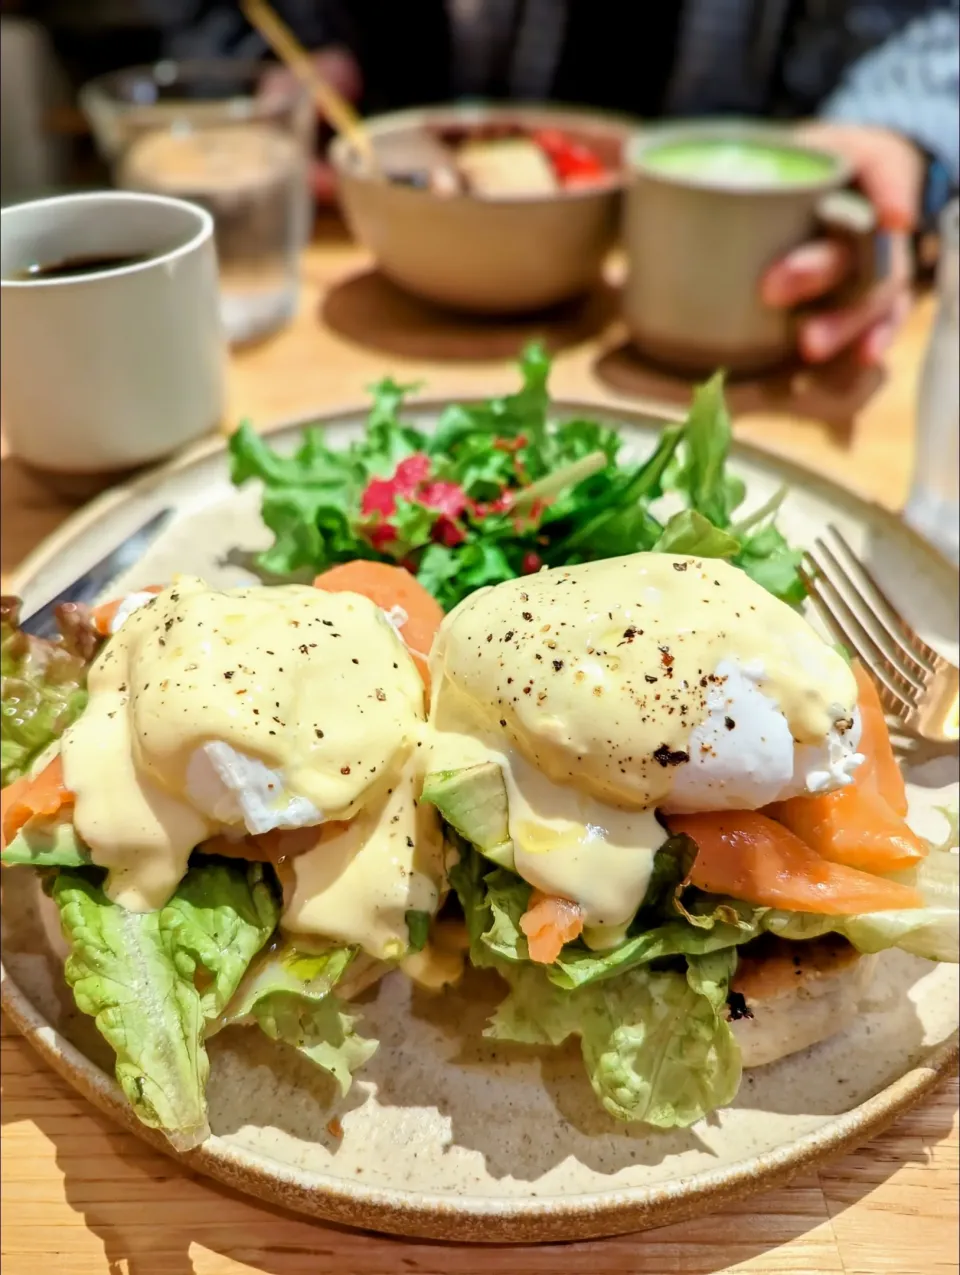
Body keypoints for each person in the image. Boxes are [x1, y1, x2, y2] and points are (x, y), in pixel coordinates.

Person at [107, 1, 960, 363]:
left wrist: (896, 128)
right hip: (352, 288)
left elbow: (930, 27)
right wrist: (272, 59)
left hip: (724, 308)